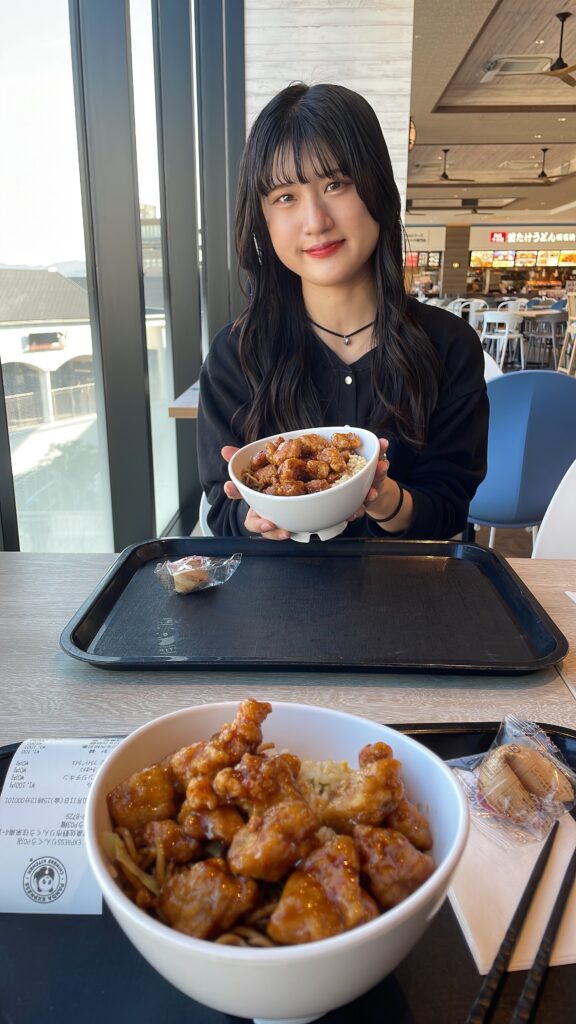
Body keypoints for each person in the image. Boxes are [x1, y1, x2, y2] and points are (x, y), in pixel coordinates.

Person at [197, 83, 488, 540]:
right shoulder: (237, 353)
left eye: (336, 184)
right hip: (281, 599)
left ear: (376, 188)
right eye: (285, 197)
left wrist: (384, 499)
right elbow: (221, 507)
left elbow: (451, 506)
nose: (316, 221)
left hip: (408, 595)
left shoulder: (449, 345)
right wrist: (252, 515)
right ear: (264, 220)